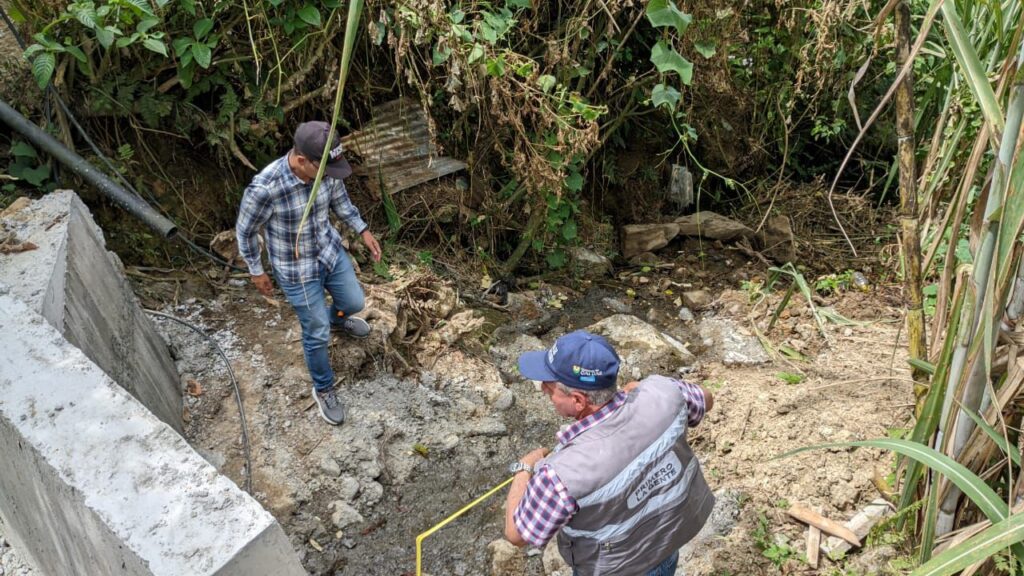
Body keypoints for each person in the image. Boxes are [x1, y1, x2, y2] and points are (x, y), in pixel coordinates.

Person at [504, 330, 715, 576]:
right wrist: (642, 389)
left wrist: (524, 468)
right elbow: (706, 399)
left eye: (549, 387)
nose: (544, 391)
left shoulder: (561, 473)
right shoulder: (664, 392)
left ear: (578, 401)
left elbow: (516, 534)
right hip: (666, 546)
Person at [236, 120, 382, 426]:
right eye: (325, 169)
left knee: (354, 302)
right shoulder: (266, 188)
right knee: (315, 331)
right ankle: (324, 387)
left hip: (328, 251)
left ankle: (337, 320)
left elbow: (341, 203)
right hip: (295, 269)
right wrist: (256, 270)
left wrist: (363, 230)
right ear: (302, 160)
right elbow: (246, 231)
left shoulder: (325, 169)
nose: (330, 176)